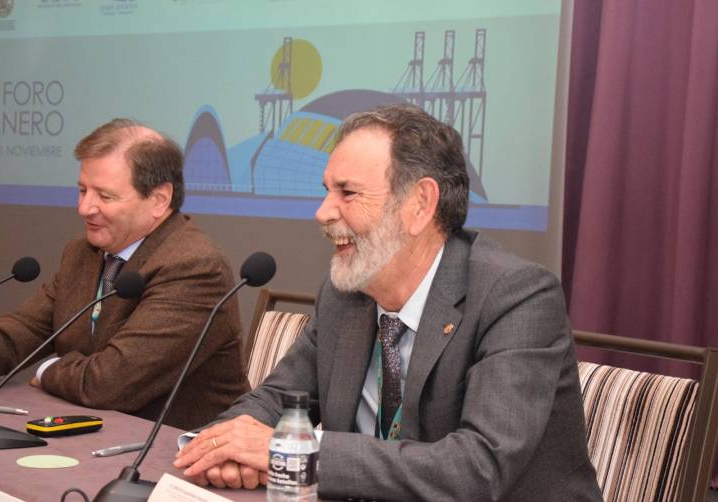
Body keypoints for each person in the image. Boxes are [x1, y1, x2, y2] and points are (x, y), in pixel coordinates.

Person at [174, 104, 603, 500]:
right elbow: (276, 400)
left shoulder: (516, 296)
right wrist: (221, 446)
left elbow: (478, 467)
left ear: (419, 204)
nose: (323, 212)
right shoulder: (345, 294)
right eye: (326, 191)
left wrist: (295, 453)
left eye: (348, 192)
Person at [0, 118, 250, 430]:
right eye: (82, 190)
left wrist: (48, 369)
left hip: (172, 458)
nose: (85, 208)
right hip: (95, 435)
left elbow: (111, 382)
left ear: (159, 199)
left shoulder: (193, 267)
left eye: (105, 195)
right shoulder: (83, 253)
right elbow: (24, 331)